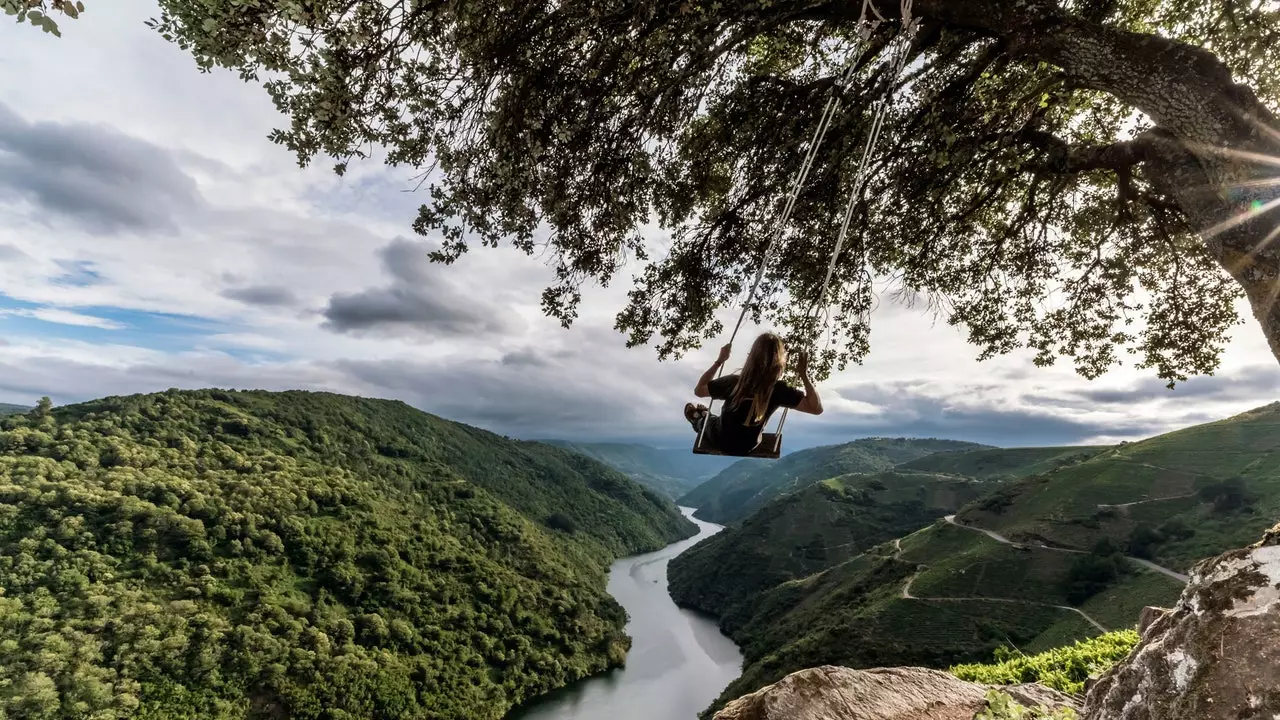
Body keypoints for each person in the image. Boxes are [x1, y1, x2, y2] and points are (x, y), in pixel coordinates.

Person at [684, 332, 823, 456]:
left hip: (722, 440)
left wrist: (719, 361)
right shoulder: (779, 390)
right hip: (748, 446)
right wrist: (803, 375)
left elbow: (699, 390)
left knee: (708, 422)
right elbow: (816, 408)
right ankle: (703, 414)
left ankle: (697, 418)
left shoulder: (733, 383)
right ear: (780, 361)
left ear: (751, 357)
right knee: (716, 421)